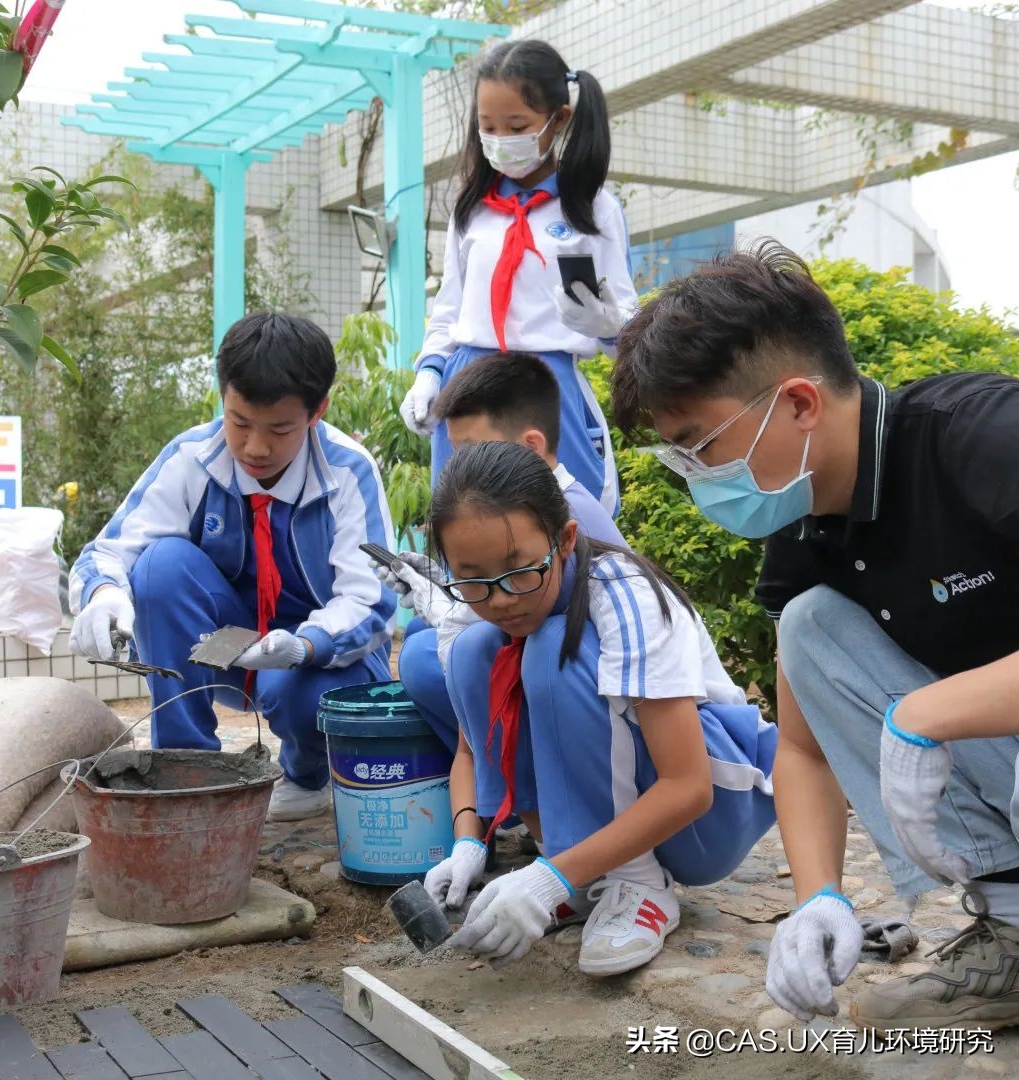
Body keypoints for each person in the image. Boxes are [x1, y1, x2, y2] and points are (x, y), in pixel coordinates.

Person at [611, 240, 1019, 1029]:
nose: (695, 476)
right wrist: (819, 897)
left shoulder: (984, 441)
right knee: (810, 625)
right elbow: (798, 748)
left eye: (699, 446)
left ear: (798, 403)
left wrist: (927, 716)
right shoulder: (804, 533)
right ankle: (1012, 929)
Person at [422, 441, 777, 977]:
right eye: (473, 578)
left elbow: (690, 785)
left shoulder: (627, 597)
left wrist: (546, 881)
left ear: (565, 540)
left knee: (550, 649)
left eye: (520, 571)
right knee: (474, 653)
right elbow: (471, 750)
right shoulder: (472, 615)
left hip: (710, 817)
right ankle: (581, 874)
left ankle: (636, 883)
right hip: (621, 823)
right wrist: (468, 845)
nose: (500, 599)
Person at [68, 313, 397, 821]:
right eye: (239, 421)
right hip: (228, 650)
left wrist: (306, 645)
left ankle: (308, 776)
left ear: (317, 412)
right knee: (160, 567)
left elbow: (370, 601)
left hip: (317, 665)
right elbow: (111, 551)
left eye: (280, 429)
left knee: (297, 689)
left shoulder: (349, 473)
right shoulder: (193, 457)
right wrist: (102, 596)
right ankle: (187, 767)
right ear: (223, 397)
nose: (255, 447)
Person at [398, 38, 637, 517]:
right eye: (488, 126)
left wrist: (608, 325)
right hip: (467, 386)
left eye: (517, 126)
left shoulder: (592, 209)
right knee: (467, 522)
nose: (500, 138)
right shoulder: (471, 210)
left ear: (559, 119)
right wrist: (428, 374)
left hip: (548, 390)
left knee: (571, 524)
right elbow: (448, 311)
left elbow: (629, 333)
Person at [389, 351, 624, 754]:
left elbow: (516, 616)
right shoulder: (550, 500)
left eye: (471, 450)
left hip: (580, 693)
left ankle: (506, 780)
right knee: (419, 633)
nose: (461, 467)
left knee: (423, 657)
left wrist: (442, 604)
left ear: (531, 446)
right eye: (454, 453)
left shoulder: (564, 518)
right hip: (541, 657)